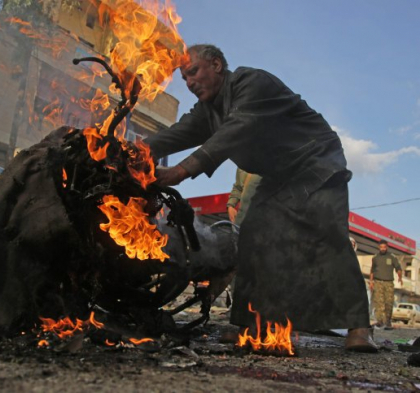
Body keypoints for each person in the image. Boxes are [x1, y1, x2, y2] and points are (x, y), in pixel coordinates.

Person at [146, 44, 377, 352]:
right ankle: (247, 323)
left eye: (193, 72)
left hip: (316, 160)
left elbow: (238, 129)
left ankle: (360, 326)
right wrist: (129, 151)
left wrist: (181, 171)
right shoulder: (207, 110)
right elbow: (176, 134)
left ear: (216, 65)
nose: (188, 82)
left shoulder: (251, 83)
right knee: (253, 235)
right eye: (184, 78)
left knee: (326, 234)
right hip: (278, 175)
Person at [369, 240, 403, 328]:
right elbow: (372, 271)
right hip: (378, 282)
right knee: (379, 303)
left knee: (389, 302)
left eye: (384, 247)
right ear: (379, 247)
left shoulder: (392, 257)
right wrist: (371, 282)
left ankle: (388, 321)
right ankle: (379, 321)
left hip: (389, 283)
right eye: (381, 247)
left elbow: (398, 268)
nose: (383, 249)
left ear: (387, 247)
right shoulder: (375, 258)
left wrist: (400, 277)